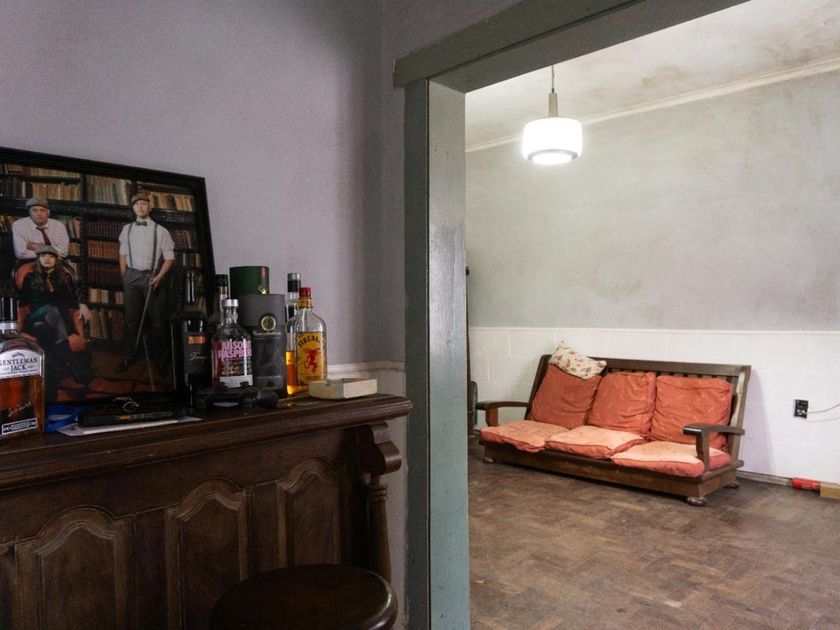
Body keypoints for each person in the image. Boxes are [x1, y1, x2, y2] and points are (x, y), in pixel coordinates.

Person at [17, 245, 91, 399]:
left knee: (44, 329)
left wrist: (82, 304)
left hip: (57, 323)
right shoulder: (30, 277)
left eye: (51, 256)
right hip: (36, 316)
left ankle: (50, 379)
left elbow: (74, 298)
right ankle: (71, 363)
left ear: (56, 260)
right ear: (38, 259)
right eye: (43, 256)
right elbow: (22, 303)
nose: (47, 258)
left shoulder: (65, 277)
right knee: (50, 310)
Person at [117, 192, 175, 374]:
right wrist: (124, 276)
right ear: (133, 208)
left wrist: (159, 277)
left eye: (144, 203)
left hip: (152, 277)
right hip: (131, 276)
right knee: (131, 320)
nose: (140, 207)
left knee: (157, 321)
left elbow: (169, 258)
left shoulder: (161, 231)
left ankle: (161, 360)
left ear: (149, 207)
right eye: (137, 204)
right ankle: (129, 356)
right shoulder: (127, 229)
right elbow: (122, 254)